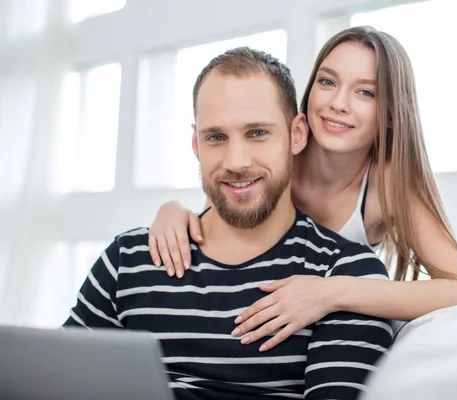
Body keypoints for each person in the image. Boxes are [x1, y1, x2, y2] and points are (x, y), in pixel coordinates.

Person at [63, 47, 393, 400]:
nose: (236, 162)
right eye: (216, 137)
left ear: (297, 134)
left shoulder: (345, 275)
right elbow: (53, 382)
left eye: (257, 134)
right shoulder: (126, 260)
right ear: (196, 143)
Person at [147, 26, 457, 352]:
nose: (338, 103)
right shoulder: (272, 154)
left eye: (365, 92)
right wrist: (173, 211)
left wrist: (330, 292)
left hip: (324, 333)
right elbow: (220, 210)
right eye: (327, 81)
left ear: (392, 114)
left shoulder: (388, 185)